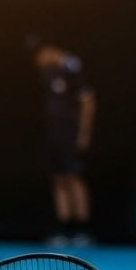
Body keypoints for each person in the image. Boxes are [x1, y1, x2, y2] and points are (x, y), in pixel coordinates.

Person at [32, 39, 96, 246]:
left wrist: (83, 134)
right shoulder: (46, 72)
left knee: (74, 178)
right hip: (53, 136)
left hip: (70, 136)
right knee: (58, 179)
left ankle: (81, 229)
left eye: (41, 54)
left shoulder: (71, 66)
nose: (38, 60)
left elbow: (88, 100)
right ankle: (62, 228)